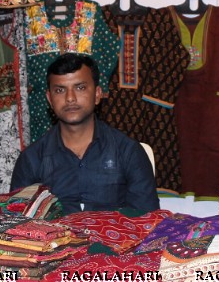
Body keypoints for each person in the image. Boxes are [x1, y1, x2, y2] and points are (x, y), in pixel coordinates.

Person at [10, 52, 160, 215]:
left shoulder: (128, 152)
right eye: (60, 90)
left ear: (97, 94)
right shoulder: (32, 160)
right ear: (49, 99)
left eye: (80, 88)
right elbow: (18, 224)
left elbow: (147, 220)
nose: (70, 98)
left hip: (116, 240)